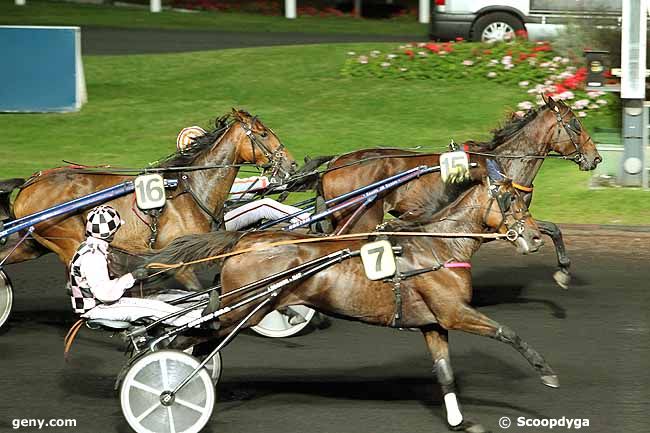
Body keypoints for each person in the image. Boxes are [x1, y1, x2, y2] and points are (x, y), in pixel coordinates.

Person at [67, 205, 202, 327]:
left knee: (162, 295)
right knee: (154, 307)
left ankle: (202, 301)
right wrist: (132, 276)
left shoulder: (91, 248)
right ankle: (199, 320)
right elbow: (106, 295)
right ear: (111, 232)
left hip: (103, 303)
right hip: (97, 308)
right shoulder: (93, 256)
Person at [177, 125, 310, 230]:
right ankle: (310, 220)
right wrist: (268, 182)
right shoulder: (194, 177)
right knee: (264, 205)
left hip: (218, 213)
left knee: (255, 196)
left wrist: (282, 183)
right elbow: (234, 189)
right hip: (215, 223)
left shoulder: (193, 175)